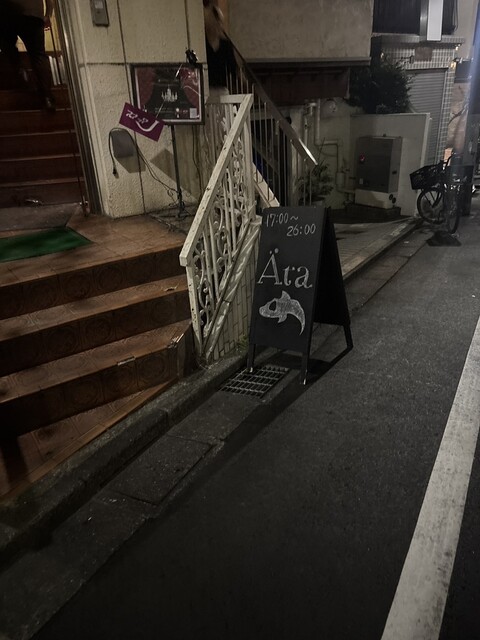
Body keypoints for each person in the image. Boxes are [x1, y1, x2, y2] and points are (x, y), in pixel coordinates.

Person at [0, 0, 56, 111]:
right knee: (38, 55)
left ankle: (20, 70)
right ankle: (47, 97)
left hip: (9, 12)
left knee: (7, 44)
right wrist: (48, 15)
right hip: (34, 14)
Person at [203, 0, 238, 96]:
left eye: (221, 23)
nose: (220, 26)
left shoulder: (225, 45)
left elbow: (233, 67)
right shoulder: (203, 45)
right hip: (206, 90)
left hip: (222, 89)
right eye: (217, 23)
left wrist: (240, 77)